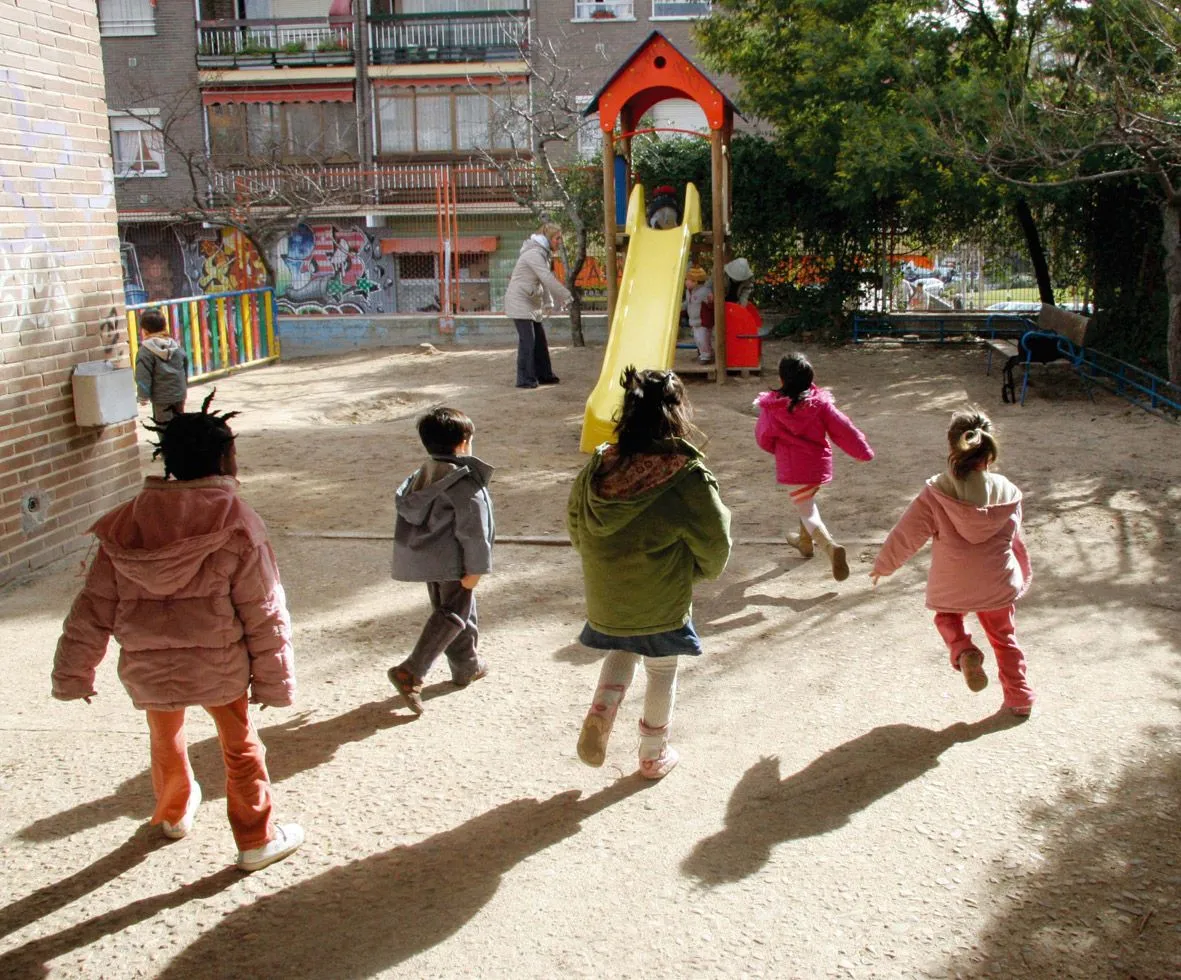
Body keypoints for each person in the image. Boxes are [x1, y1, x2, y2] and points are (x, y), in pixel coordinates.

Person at [51, 392, 303, 873]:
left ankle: (172, 813)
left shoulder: (125, 522)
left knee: (165, 739)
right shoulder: (238, 522)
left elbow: (93, 606)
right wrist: (274, 681)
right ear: (226, 459)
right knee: (241, 746)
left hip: (149, 666)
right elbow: (264, 608)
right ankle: (256, 838)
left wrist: (74, 672)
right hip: (221, 667)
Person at [568, 367, 732, 779]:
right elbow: (715, 541)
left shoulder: (599, 465)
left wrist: (601, 565)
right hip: (661, 595)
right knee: (661, 668)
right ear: (677, 412)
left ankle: (602, 709)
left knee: (622, 646)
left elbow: (576, 524)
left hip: (607, 595)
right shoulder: (686, 475)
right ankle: (652, 755)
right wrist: (698, 574)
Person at [870, 410, 1035, 717]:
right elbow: (1015, 538)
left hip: (954, 582)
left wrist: (884, 565)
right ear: (989, 450)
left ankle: (964, 650)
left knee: (947, 617)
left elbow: (908, 534)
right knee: (1004, 637)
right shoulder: (1008, 493)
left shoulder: (936, 493)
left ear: (952, 448)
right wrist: (1020, 570)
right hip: (997, 582)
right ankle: (1020, 696)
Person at [388, 407, 494, 715]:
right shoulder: (465, 484)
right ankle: (411, 671)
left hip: (428, 559)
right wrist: (476, 568)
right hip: (454, 561)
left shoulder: (422, 475)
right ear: (463, 442)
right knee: (454, 614)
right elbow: (475, 532)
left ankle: (467, 666)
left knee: (456, 612)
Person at [754, 352, 874, 581]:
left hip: (794, 469)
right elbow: (843, 428)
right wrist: (862, 452)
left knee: (808, 511)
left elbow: (763, 436)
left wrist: (775, 449)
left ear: (782, 380)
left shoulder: (771, 408)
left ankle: (830, 547)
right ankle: (804, 543)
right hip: (819, 467)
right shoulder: (820, 405)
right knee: (807, 503)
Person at [503, 221, 572, 389]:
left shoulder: (542, 253)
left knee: (539, 340)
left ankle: (544, 375)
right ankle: (524, 379)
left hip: (530, 301)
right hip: (519, 301)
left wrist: (548, 302)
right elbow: (547, 278)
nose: (559, 242)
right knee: (528, 341)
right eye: (557, 238)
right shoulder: (534, 254)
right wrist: (567, 295)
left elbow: (542, 280)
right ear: (548, 238)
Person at [134, 308, 188, 425]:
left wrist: (143, 396)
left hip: (161, 397)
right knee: (180, 424)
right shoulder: (175, 345)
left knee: (165, 428)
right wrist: (184, 385)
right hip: (179, 393)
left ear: (145, 330)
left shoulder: (145, 351)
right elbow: (185, 366)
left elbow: (142, 375)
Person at [683, 266, 714, 364]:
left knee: (703, 339)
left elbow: (711, 304)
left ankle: (706, 357)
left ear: (695, 282)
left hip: (702, 321)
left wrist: (710, 301)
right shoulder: (688, 292)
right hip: (693, 320)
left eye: (688, 280)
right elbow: (687, 303)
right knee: (697, 339)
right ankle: (704, 354)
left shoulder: (704, 292)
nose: (686, 282)